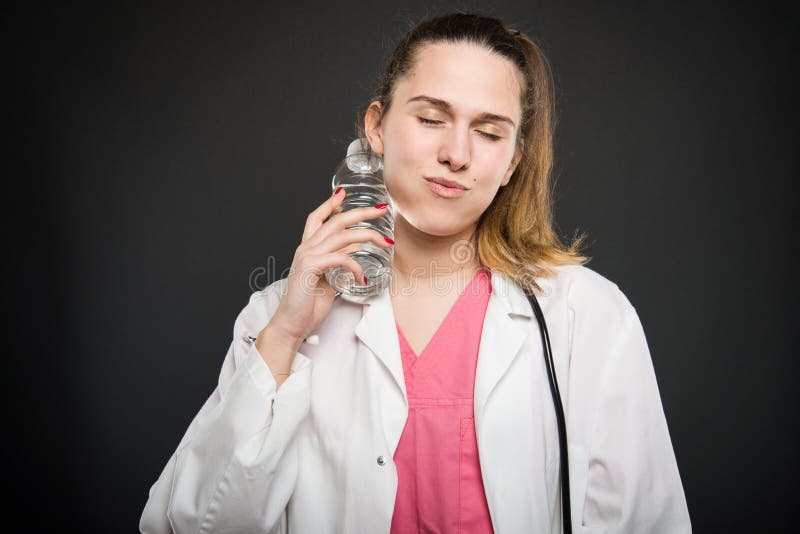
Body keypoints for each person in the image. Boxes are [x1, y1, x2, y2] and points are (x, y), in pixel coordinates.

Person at [139, 11, 691, 534]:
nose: (457, 153)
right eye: (431, 118)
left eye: (490, 132)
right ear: (376, 128)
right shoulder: (277, 317)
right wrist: (284, 336)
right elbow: (191, 524)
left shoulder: (587, 316)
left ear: (514, 162)